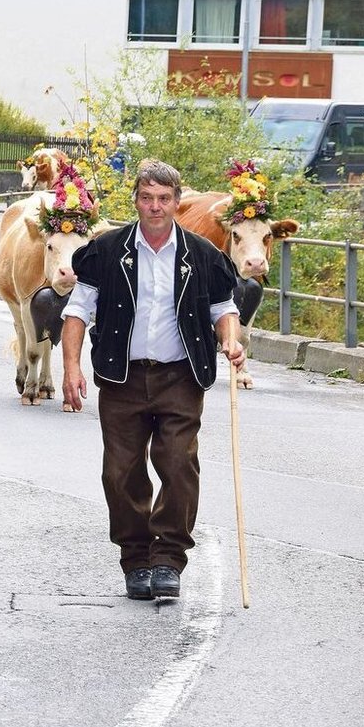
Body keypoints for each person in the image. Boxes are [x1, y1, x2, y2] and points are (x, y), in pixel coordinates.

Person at [60, 160, 244, 602]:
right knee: (120, 474)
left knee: (179, 465)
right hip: (121, 376)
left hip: (181, 376)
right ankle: (136, 558)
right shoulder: (108, 251)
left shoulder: (201, 255)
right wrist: (70, 367)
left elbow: (224, 310)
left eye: (164, 199)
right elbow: (77, 312)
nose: (155, 207)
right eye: (147, 198)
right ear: (136, 201)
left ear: (177, 203)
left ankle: (168, 559)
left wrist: (232, 342)